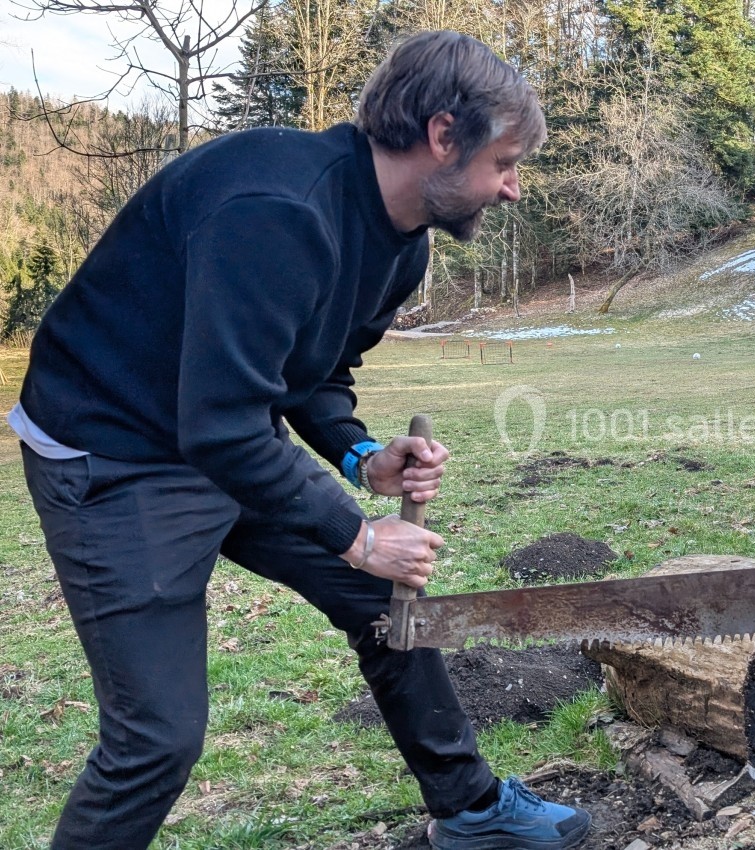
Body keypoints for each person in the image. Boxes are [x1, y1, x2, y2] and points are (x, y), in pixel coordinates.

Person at [10, 31, 589, 850]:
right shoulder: (276, 211)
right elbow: (219, 426)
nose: (512, 189)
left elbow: (312, 372)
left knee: (389, 610)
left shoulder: (402, 246)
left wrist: (360, 455)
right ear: (443, 135)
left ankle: (470, 811)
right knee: (156, 739)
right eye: (504, 162)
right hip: (113, 454)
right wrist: (356, 536)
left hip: (219, 433)